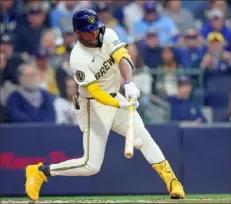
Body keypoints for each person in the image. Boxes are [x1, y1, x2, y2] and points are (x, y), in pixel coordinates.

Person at [24, 9, 185, 201]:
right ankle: (40, 171)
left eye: (94, 29)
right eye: (88, 31)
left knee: (144, 137)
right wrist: (120, 104)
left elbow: (123, 58)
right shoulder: (78, 58)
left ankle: (173, 182)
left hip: (116, 96)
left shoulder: (107, 34)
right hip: (93, 107)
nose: (93, 34)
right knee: (91, 166)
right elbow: (96, 93)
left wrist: (129, 83)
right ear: (77, 32)